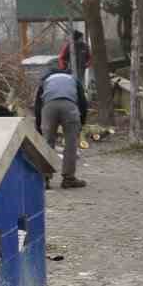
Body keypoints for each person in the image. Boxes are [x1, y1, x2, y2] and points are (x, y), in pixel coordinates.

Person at [33, 60, 88, 189]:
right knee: (71, 143)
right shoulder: (73, 79)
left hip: (49, 107)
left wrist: (39, 125)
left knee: (47, 142)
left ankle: (44, 179)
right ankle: (69, 179)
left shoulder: (46, 80)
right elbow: (83, 102)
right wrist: (82, 122)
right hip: (70, 106)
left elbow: (37, 104)